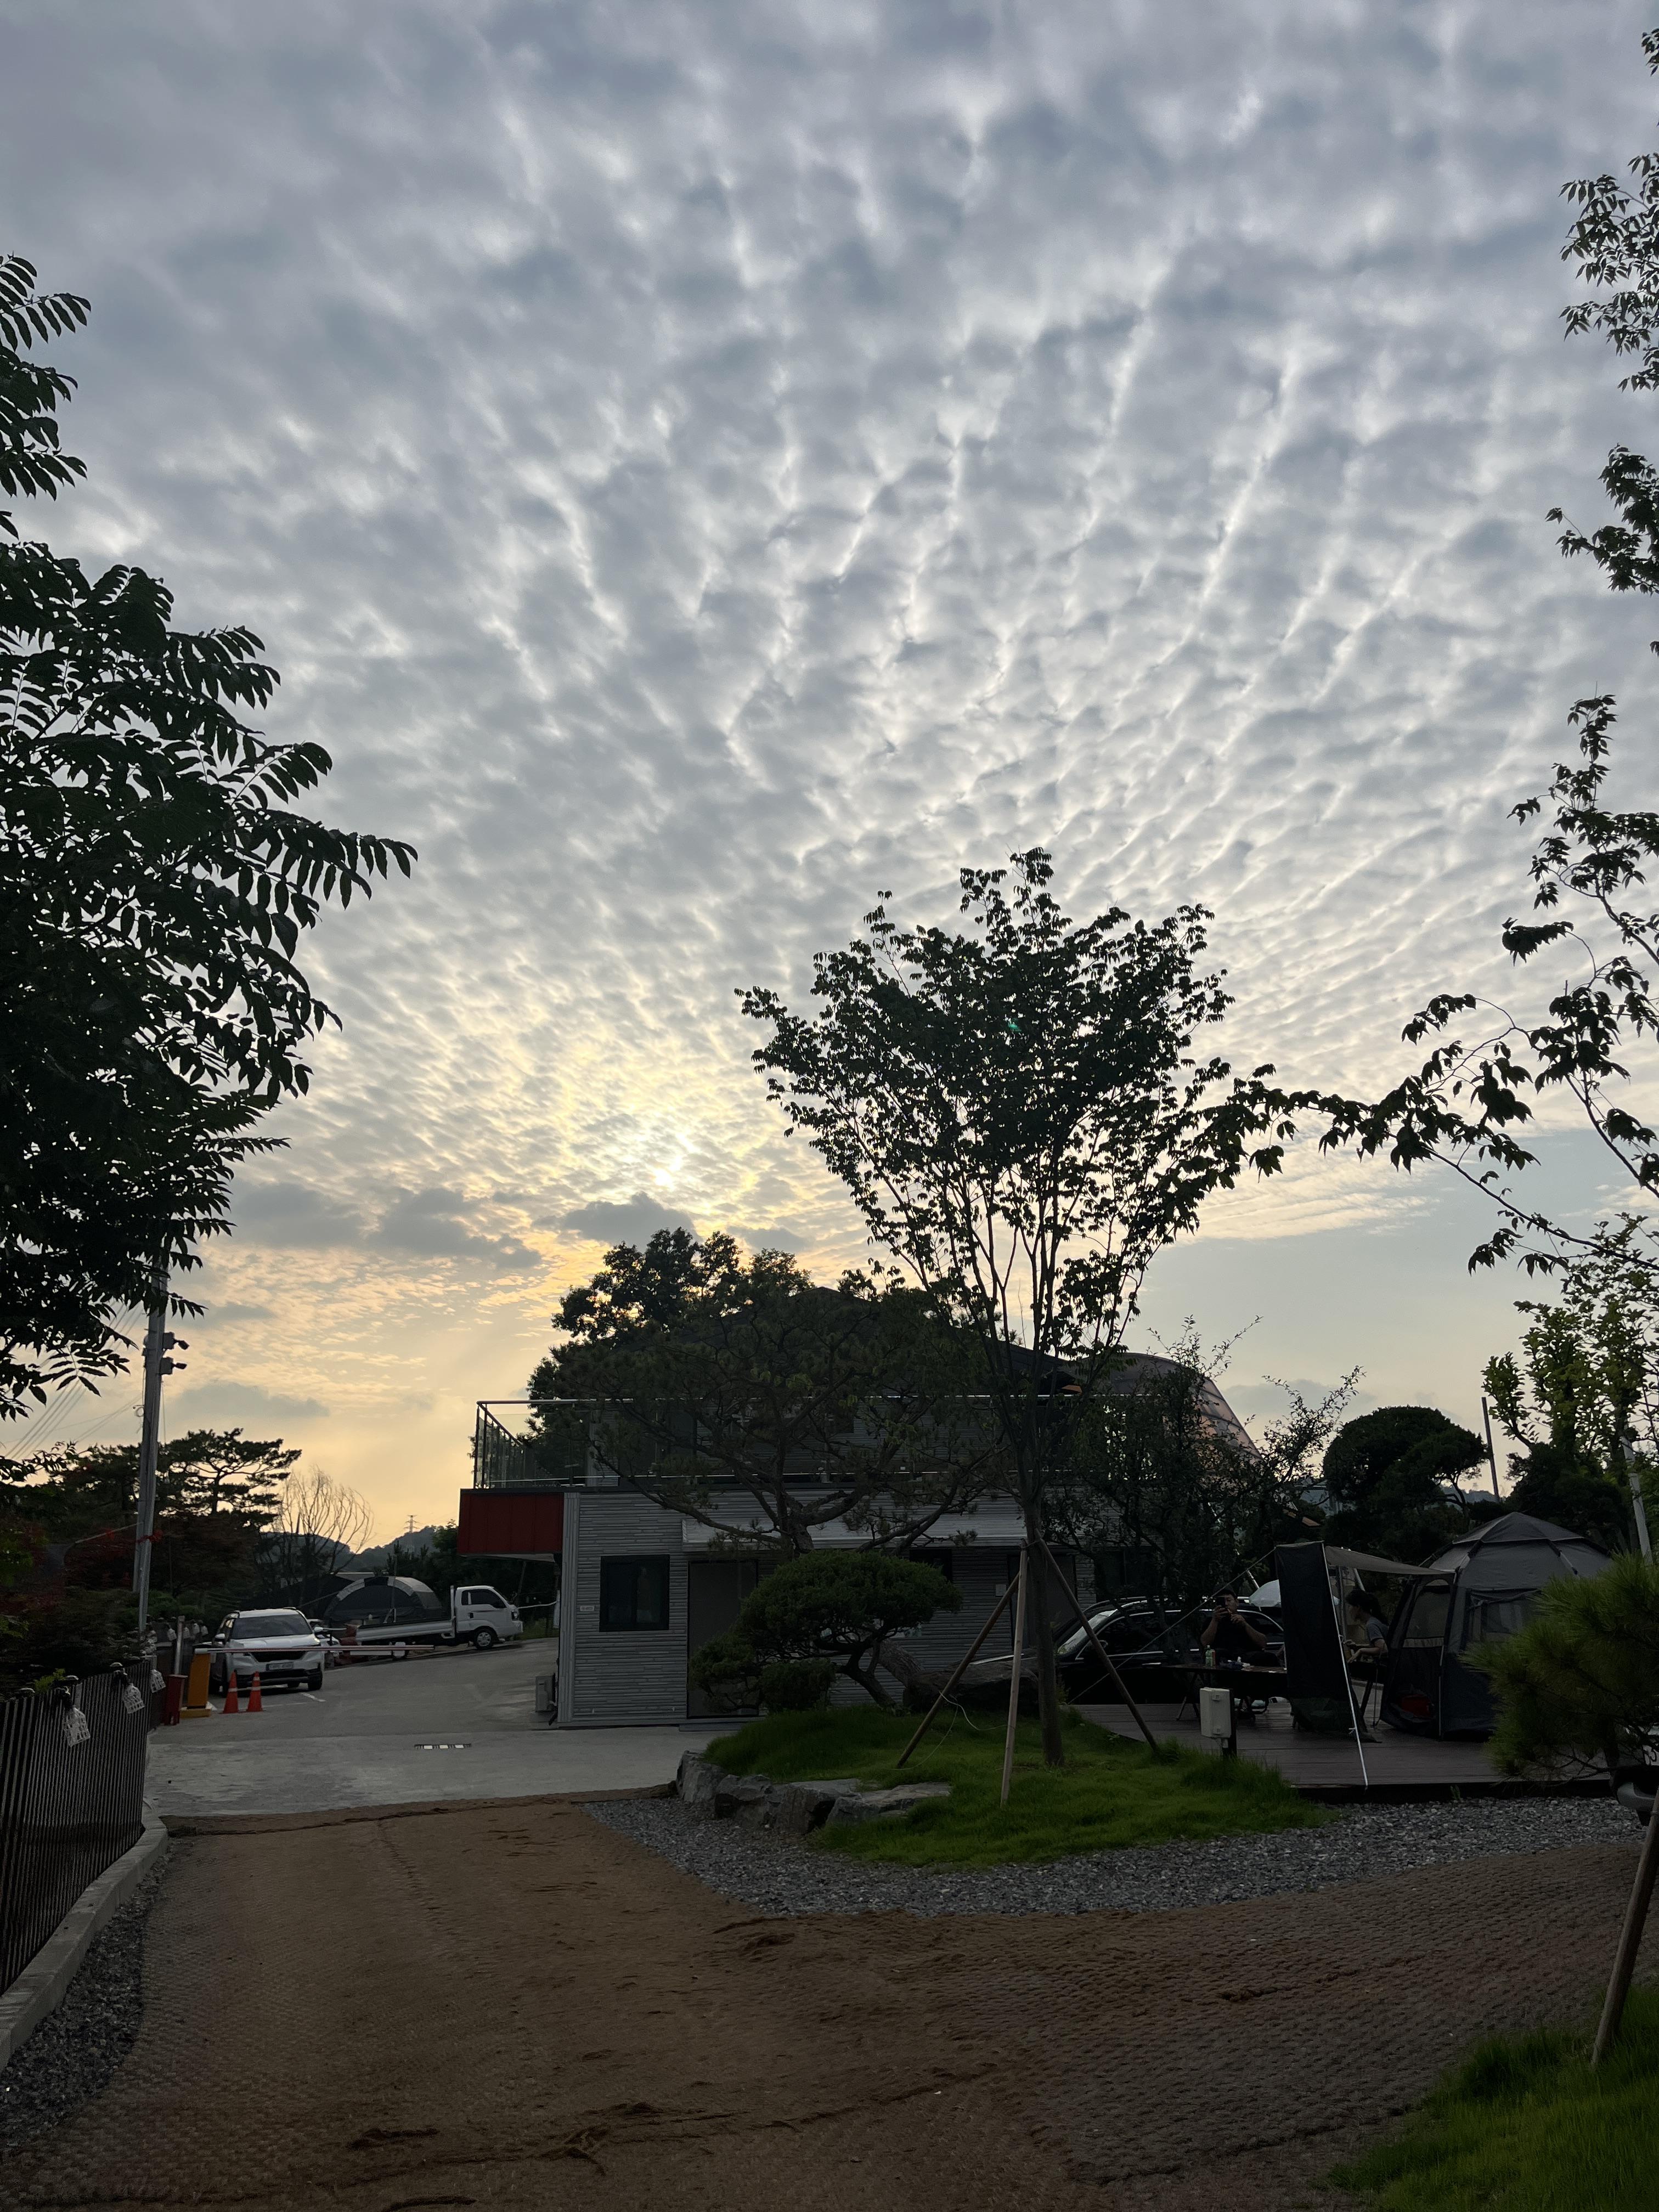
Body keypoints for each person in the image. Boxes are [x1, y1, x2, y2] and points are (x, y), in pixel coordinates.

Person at [1200, 1591, 1273, 1667]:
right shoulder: (1211, 1621)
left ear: (1237, 1602)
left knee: (1269, 1657)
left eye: (1229, 1600)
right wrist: (1215, 1621)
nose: (1226, 1604)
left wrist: (1245, 1625)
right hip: (1224, 1661)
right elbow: (1205, 1643)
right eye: (1222, 1601)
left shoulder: (1249, 1621)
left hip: (1248, 1660)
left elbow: (1263, 1643)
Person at [1345, 1588, 1390, 1663]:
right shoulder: (1374, 1621)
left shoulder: (1371, 1625)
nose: (1349, 1610)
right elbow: (1376, 1646)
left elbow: (1383, 1649)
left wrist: (1361, 1651)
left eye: (1350, 1606)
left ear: (1358, 1607)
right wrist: (1357, 1647)